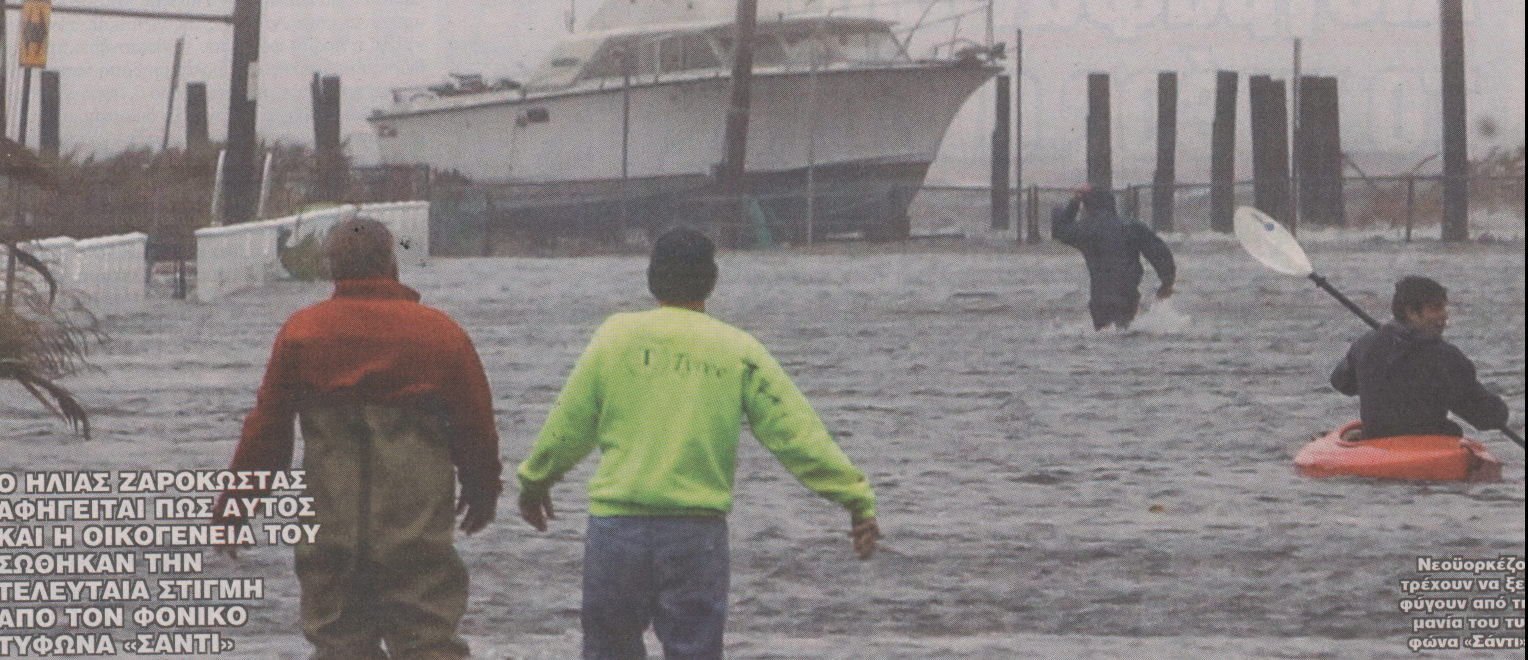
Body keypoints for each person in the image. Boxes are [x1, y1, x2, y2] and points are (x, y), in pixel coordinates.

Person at [516, 226, 880, 660]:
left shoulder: (614, 337)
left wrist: (535, 482)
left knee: (607, 650)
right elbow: (798, 435)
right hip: (695, 533)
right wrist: (855, 498)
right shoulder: (737, 348)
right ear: (712, 280)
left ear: (652, 280)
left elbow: (568, 424)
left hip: (617, 529)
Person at [215, 217, 501, 660]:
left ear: (332, 270)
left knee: (339, 645)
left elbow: (266, 433)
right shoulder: (441, 335)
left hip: (331, 535)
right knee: (429, 643)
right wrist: (482, 491)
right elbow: (476, 427)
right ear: (391, 265)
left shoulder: (302, 333)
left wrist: (237, 503)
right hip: (415, 533)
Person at [1330, 275, 1507, 440]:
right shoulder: (1447, 356)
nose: (1444, 315)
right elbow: (1487, 417)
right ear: (1411, 313)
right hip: (1430, 448)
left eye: (1444, 308)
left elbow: (1342, 383)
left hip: (1378, 442)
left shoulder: (1365, 344)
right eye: (1435, 309)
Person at [1051, 185, 1176, 330]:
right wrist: (1167, 281)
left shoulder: (1084, 230)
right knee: (1124, 332)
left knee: (1104, 334)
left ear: (1087, 206)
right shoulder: (1132, 227)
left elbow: (1059, 229)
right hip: (1128, 296)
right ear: (1112, 204)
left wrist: (1075, 201)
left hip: (1099, 300)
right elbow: (1159, 253)